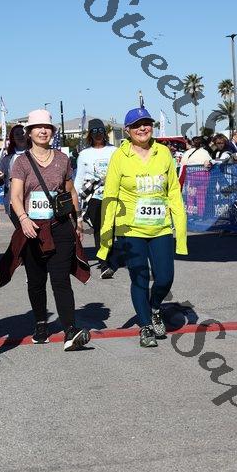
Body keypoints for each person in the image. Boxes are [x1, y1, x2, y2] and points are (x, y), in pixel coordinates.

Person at [0, 109, 91, 352]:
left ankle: (70, 330)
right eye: (37, 127)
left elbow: (70, 191)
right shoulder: (21, 162)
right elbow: (15, 196)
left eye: (47, 127)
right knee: (37, 280)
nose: (42, 131)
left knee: (61, 279)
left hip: (60, 226)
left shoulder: (62, 159)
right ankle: (40, 324)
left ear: (52, 132)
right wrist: (23, 219)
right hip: (32, 229)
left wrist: (78, 219)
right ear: (29, 133)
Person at [98, 107, 187, 348]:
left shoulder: (163, 152)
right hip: (130, 229)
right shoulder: (120, 156)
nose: (142, 128)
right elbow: (110, 196)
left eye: (146, 123)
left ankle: (155, 307)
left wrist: (180, 229)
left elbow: (173, 192)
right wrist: (106, 238)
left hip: (160, 228)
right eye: (137, 125)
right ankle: (146, 326)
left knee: (165, 278)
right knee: (139, 277)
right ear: (127, 130)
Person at [74, 119, 116, 278]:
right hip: (94, 196)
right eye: (94, 131)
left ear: (105, 133)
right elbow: (79, 178)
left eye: (101, 130)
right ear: (90, 134)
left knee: (112, 229)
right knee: (99, 228)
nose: (98, 134)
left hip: (113, 195)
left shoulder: (115, 151)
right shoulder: (84, 154)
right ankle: (104, 263)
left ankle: (112, 256)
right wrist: (75, 199)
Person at [0, 124, 27, 225]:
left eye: (22, 133)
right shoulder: (7, 159)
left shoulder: (35, 154)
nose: (20, 136)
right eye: (17, 134)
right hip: (13, 203)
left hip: (32, 201)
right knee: (21, 231)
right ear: (12, 138)